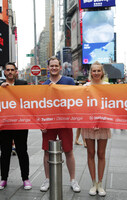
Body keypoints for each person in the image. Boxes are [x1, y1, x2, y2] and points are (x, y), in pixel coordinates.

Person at [40, 56, 81, 193]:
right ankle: (47, 179)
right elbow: (40, 106)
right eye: (51, 66)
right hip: (49, 123)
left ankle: (73, 180)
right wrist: (42, 124)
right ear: (48, 68)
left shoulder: (68, 81)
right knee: (47, 151)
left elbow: (75, 100)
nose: (54, 68)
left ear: (60, 67)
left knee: (68, 151)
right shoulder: (44, 85)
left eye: (56, 66)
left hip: (65, 121)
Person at [0, 62, 32, 190]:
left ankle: (25, 179)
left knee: (22, 152)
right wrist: (1, 89)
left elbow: (29, 100)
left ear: (16, 72)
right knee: (5, 153)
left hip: (20, 124)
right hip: (4, 126)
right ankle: (3, 179)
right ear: (4, 72)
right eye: (8, 70)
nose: (10, 72)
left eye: (12, 70)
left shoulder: (23, 84)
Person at [81, 62, 111, 197]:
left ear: (102, 72)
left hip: (103, 125)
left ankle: (100, 183)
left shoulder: (108, 87)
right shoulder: (85, 87)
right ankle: (93, 183)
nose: (96, 73)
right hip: (88, 125)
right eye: (94, 71)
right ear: (90, 72)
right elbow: (82, 106)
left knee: (101, 154)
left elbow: (112, 106)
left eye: (99, 70)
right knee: (90, 153)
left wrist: (102, 120)